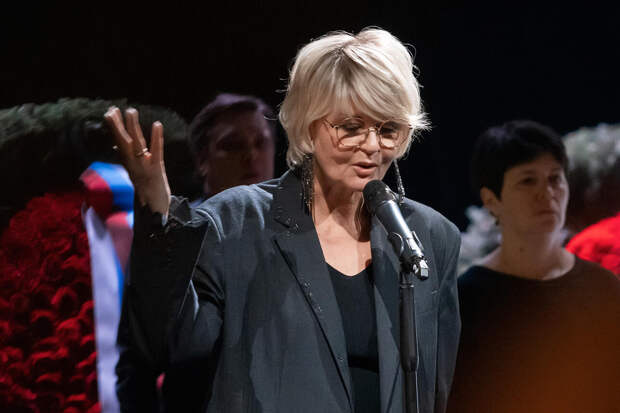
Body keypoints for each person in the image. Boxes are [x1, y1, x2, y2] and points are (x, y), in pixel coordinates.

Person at [105, 28, 461, 413]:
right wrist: (158, 214)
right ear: (309, 125)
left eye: (388, 130)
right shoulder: (234, 224)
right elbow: (171, 345)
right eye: (351, 128)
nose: (373, 146)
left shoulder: (431, 237)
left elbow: (438, 390)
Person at [114, 93, 277, 412]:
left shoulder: (304, 229)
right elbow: (137, 362)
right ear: (202, 161)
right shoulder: (172, 234)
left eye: (261, 143)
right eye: (232, 145)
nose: (251, 156)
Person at [448, 120, 620, 413]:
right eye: (528, 181)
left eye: (555, 178)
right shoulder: (467, 301)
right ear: (491, 200)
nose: (547, 192)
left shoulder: (604, 287)